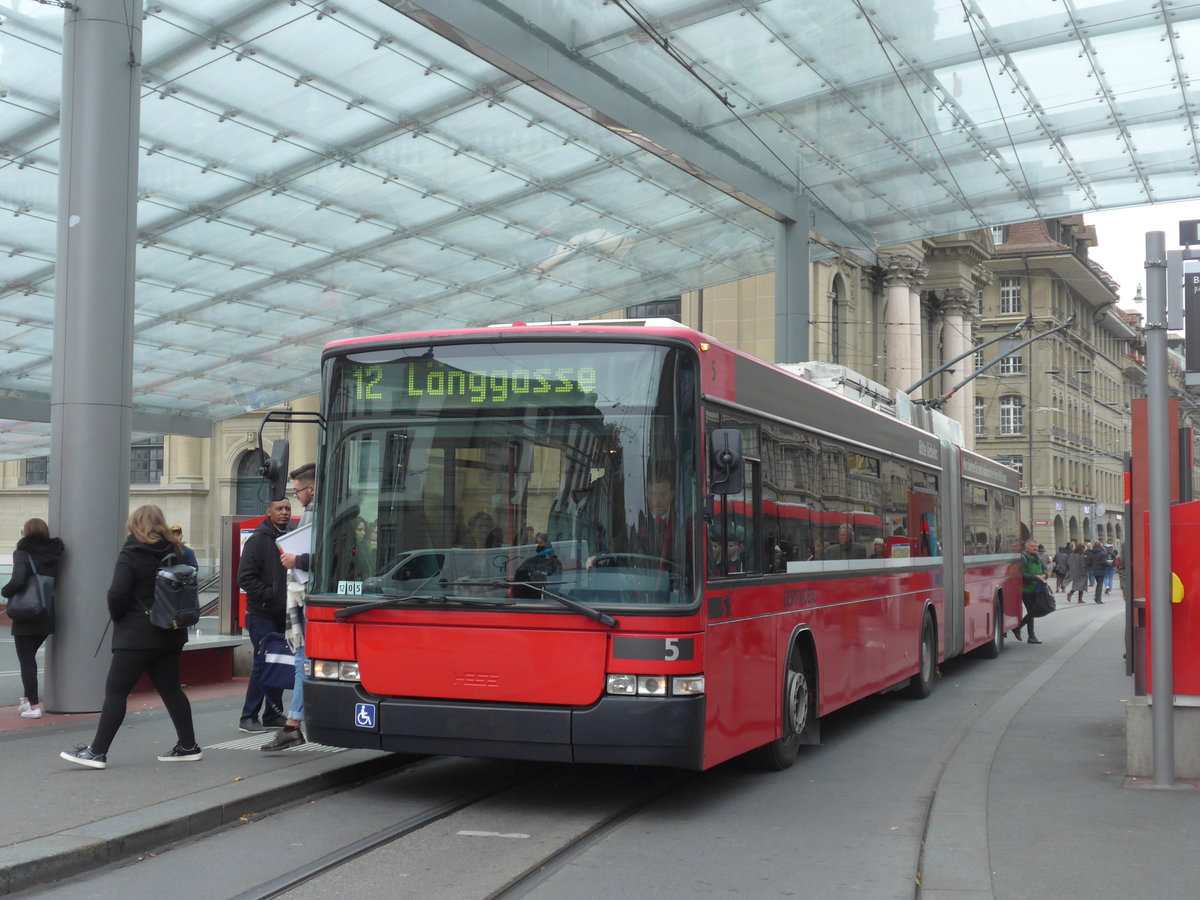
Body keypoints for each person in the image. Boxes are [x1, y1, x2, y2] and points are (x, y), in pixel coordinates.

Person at [60, 505, 201, 768]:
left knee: (116, 691)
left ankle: (97, 752)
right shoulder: (177, 550)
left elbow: (117, 593)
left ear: (134, 524)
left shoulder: (132, 552)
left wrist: (119, 616)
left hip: (136, 634)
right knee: (171, 690)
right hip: (171, 632)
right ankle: (188, 745)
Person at [269, 463, 316, 752]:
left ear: (311, 488)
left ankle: (293, 724)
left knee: (302, 659)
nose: (296, 497)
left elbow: (324, 556)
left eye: (298, 490)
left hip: (307, 595)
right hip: (306, 596)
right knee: (304, 659)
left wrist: (296, 561)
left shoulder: (315, 512)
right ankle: (294, 722)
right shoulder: (316, 510)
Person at [236, 497, 291, 734]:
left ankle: (272, 714)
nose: (285, 512)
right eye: (279, 509)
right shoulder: (257, 541)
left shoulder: (289, 539)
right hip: (262, 614)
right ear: (269, 511)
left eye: (288, 508)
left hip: (283, 613)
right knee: (262, 664)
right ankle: (248, 716)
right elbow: (245, 578)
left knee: (277, 663)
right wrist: (269, 595)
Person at [2, 518, 64, 719]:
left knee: (26, 660)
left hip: (26, 614)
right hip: (46, 612)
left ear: (26, 533)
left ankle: (34, 706)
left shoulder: (23, 553)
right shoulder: (54, 554)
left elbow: (18, 580)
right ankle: (28, 699)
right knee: (30, 656)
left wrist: (5, 590)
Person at [1012, 538, 1048, 645]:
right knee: (1032, 611)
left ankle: (1018, 628)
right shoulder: (1023, 558)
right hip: (1026, 589)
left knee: (1034, 611)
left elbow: (1045, 569)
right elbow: (1020, 573)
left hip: (1037, 589)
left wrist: (1044, 575)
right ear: (1027, 547)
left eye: (1036, 546)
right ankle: (1031, 636)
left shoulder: (1038, 557)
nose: (1035, 548)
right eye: (1032, 546)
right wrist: (1034, 577)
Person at [1086, 538, 1109, 604]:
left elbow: (1089, 563)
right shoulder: (1102, 553)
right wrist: (1108, 563)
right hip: (1101, 571)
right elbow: (1104, 562)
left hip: (1094, 571)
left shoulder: (1091, 553)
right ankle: (1098, 599)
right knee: (1100, 584)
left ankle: (1096, 596)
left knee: (1098, 584)